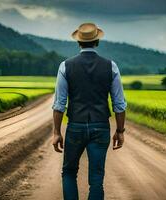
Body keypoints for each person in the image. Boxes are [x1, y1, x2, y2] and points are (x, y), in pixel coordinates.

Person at [52, 22, 127, 200]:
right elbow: (119, 104)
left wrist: (56, 132)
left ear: (78, 42)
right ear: (97, 42)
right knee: (96, 179)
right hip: (101, 126)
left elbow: (59, 104)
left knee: (69, 172)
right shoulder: (111, 66)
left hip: (75, 125)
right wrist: (120, 131)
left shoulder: (65, 66)